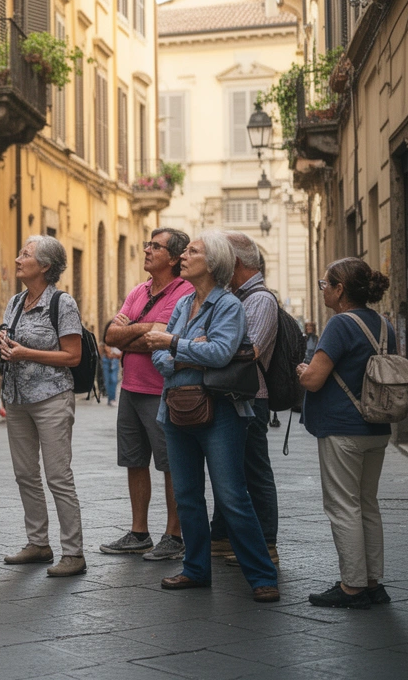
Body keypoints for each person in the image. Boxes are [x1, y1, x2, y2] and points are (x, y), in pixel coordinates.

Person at [144, 230, 279, 603]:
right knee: (187, 495)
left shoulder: (229, 306)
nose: (182, 256)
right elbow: (157, 358)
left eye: (192, 251)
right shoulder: (183, 303)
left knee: (232, 495)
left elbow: (219, 353)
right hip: (175, 408)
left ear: (213, 262)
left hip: (221, 412)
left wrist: (173, 344)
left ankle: (262, 575)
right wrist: (186, 351)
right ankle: (195, 569)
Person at [297, 257, 395, 609]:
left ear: (340, 290)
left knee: (343, 506)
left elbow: (314, 378)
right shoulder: (384, 325)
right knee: (367, 504)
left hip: (343, 428)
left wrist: (302, 369)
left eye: (326, 284)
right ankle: (373, 582)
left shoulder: (339, 324)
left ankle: (352, 586)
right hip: (377, 427)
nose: (323, 289)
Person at [0, 236, 87, 578]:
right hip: (17, 397)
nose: (18, 259)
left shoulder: (62, 304)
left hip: (51, 397)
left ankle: (73, 553)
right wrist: (2, 341)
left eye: (26, 255)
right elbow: (9, 334)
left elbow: (73, 356)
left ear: (45, 266)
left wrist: (25, 353)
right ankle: (38, 543)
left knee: (58, 476)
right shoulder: (16, 301)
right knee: (25, 474)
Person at [100, 228, 193, 561]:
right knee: (134, 461)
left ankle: (175, 534)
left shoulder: (185, 292)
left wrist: (130, 333)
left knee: (171, 464)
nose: (147, 250)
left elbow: (165, 337)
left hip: (163, 390)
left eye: (156, 246)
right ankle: (139, 532)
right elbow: (111, 334)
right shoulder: (138, 290)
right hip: (131, 387)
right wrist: (144, 328)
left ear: (174, 257)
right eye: (148, 245)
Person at [211, 232, 280, 567]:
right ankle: (222, 538)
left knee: (255, 471)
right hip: (234, 396)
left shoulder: (261, 300)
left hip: (253, 398)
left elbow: (247, 351)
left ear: (233, 262)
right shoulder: (235, 297)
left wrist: (208, 341)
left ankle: (267, 544)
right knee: (230, 471)